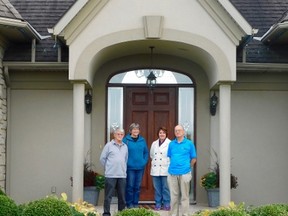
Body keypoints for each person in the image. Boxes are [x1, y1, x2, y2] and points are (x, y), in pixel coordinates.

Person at [167, 124, 197, 216]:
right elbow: (170, 157)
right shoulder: (171, 144)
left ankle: (185, 214)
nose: (177, 132)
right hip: (172, 173)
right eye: (176, 130)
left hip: (185, 173)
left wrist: (188, 168)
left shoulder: (189, 144)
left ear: (183, 132)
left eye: (179, 130)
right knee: (174, 197)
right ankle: (173, 214)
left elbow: (194, 159)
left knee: (185, 197)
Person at [100, 128, 128, 216]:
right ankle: (106, 213)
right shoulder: (109, 145)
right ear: (114, 135)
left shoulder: (125, 146)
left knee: (122, 197)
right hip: (110, 175)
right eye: (118, 134)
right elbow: (102, 159)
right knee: (108, 196)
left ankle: (121, 213)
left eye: (121, 134)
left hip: (122, 175)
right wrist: (108, 168)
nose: (120, 136)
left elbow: (125, 160)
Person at [122, 123, 149, 208]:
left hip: (140, 168)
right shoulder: (125, 140)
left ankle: (135, 203)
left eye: (137, 129)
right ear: (130, 131)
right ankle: (129, 203)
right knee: (130, 186)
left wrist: (143, 162)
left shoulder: (142, 140)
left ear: (139, 131)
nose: (136, 131)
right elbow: (122, 153)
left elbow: (146, 152)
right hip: (130, 167)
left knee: (137, 187)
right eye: (134, 129)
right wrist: (126, 163)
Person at [150, 126, 171, 211]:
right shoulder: (154, 143)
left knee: (166, 188)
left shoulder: (170, 143)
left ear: (166, 134)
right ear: (158, 134)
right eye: (160, 133)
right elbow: (152, 155)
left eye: (163, 133)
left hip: (165, 169)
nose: (162, 134)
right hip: (155, 169)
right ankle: (158, 203)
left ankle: (166, 204)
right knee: (157, 188)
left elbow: (171, 156)